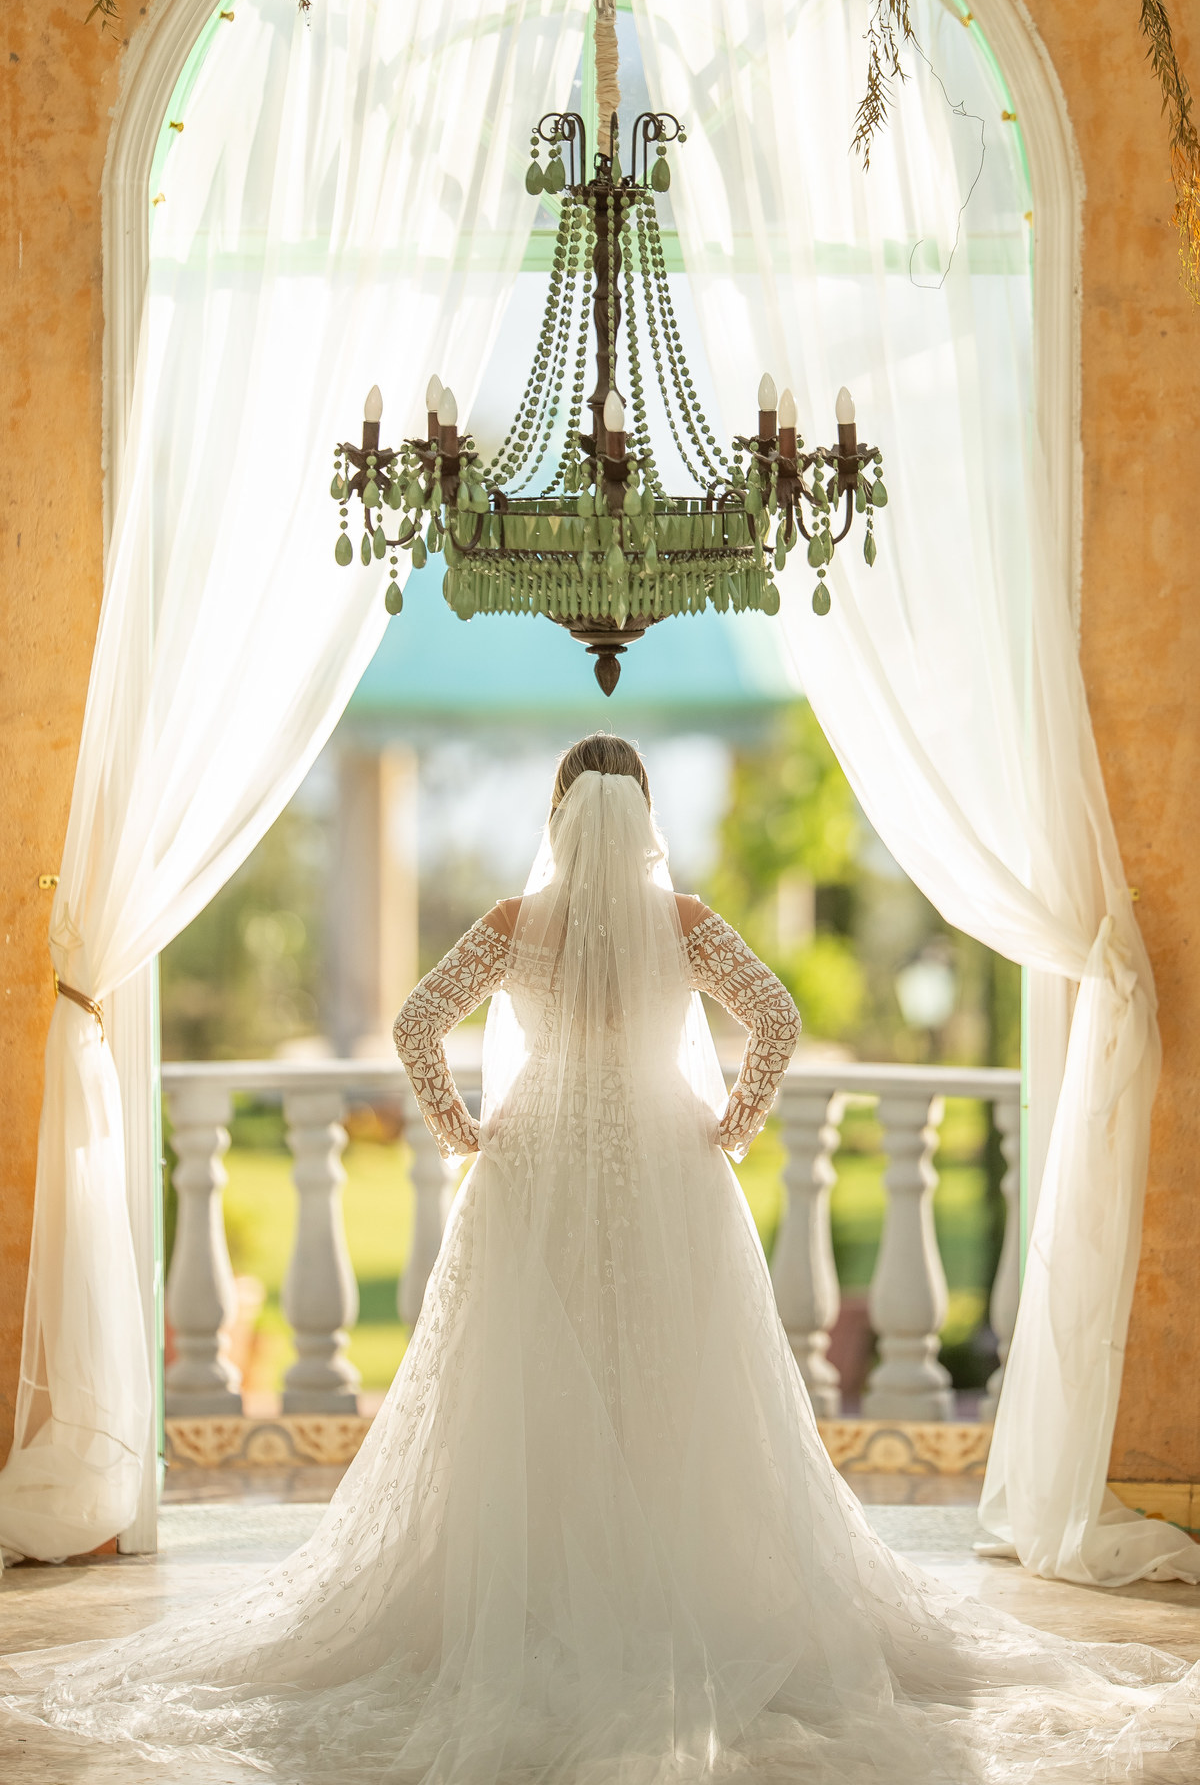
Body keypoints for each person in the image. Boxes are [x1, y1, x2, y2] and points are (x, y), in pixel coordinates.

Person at [3, 732, 1199, 1784]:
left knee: (521, 1384)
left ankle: (535, 1603)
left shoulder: (517, 926)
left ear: (560, 816)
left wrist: (462, 1124)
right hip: (669, 1167)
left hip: (535, 1166)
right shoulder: (683, 926)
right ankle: (673, 1594)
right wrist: (732, 1120)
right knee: (675, 1382)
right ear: (644, 823)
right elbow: (775, 1016)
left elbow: (421, 1020)